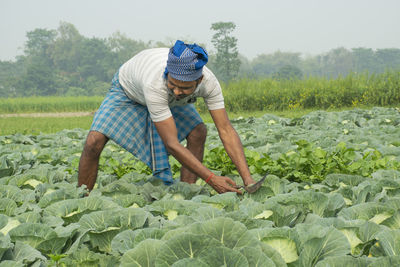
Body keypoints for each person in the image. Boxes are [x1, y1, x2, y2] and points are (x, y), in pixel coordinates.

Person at [77, 40, 255, 194]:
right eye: (173, 84)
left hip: (167, 100)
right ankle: (83, 198)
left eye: (185, 88)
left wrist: (248, 181)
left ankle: (187, 192)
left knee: (198, 132)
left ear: (198, 81)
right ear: (167, 74)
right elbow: (172, 144)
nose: (177, 91)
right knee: (94, 141)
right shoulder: (156, 84)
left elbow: (225, 129)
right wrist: (211, 178)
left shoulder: (209, 83)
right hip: (128, 91)